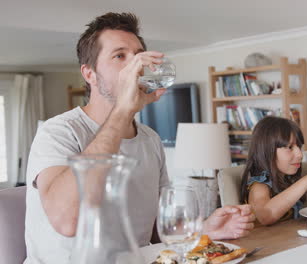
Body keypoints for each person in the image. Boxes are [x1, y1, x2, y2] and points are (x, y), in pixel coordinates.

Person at [24, 12, 254, 264]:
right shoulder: (58, 131)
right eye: (120, 56)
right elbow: (68, 221)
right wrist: (123, 110)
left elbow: (155, 228)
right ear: (89, 74)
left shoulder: (150, 139)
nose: (136, 65)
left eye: (138, 55)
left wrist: (203, 230)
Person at [239, 116, 307, 225]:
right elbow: (265, 216)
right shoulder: (258, 186)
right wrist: (306, 181)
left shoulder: (288, 178)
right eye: (290, 147)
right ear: (267, 150)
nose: (300, 154)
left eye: (299, 147)